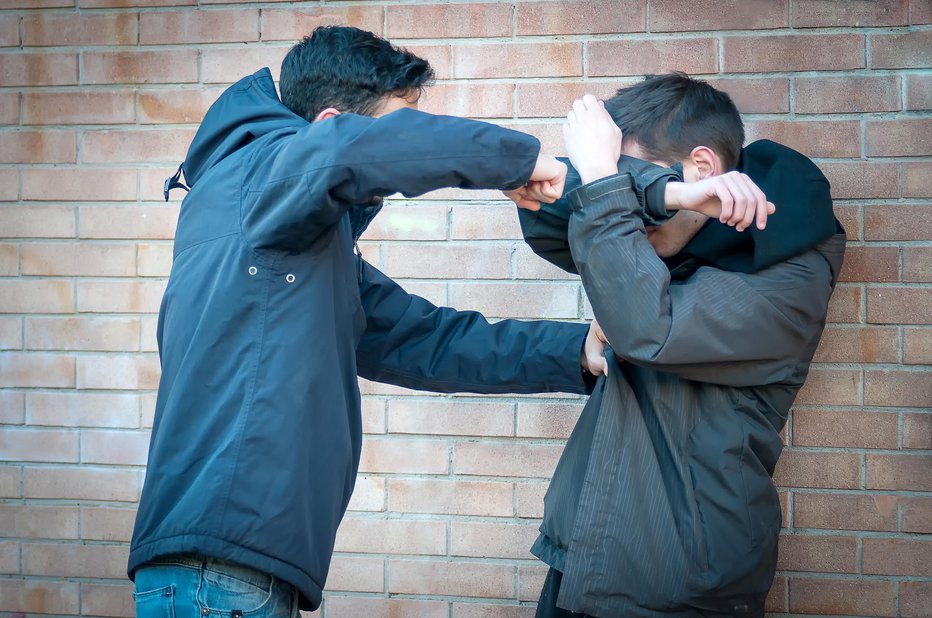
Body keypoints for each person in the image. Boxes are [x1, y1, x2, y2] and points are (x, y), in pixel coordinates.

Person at [128, 25, 604, 617]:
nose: (405, 146)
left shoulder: (293, 244)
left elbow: (429, 340)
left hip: (231, 571)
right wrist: (519, 161)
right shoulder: (258, 174)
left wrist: (577, 349)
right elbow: (345, 152)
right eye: (394, 129)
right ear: (330, 123)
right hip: (218, 574)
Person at [517, 76, 845, 617]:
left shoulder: (788, 277)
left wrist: (605, 180)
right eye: (627, 185)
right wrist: (649, 189)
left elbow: (649, 328)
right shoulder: (653, 238)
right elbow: (545, 216)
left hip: (679, 579)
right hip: (583, 554)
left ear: (704, 167)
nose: (623, 203)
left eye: (632, 180)